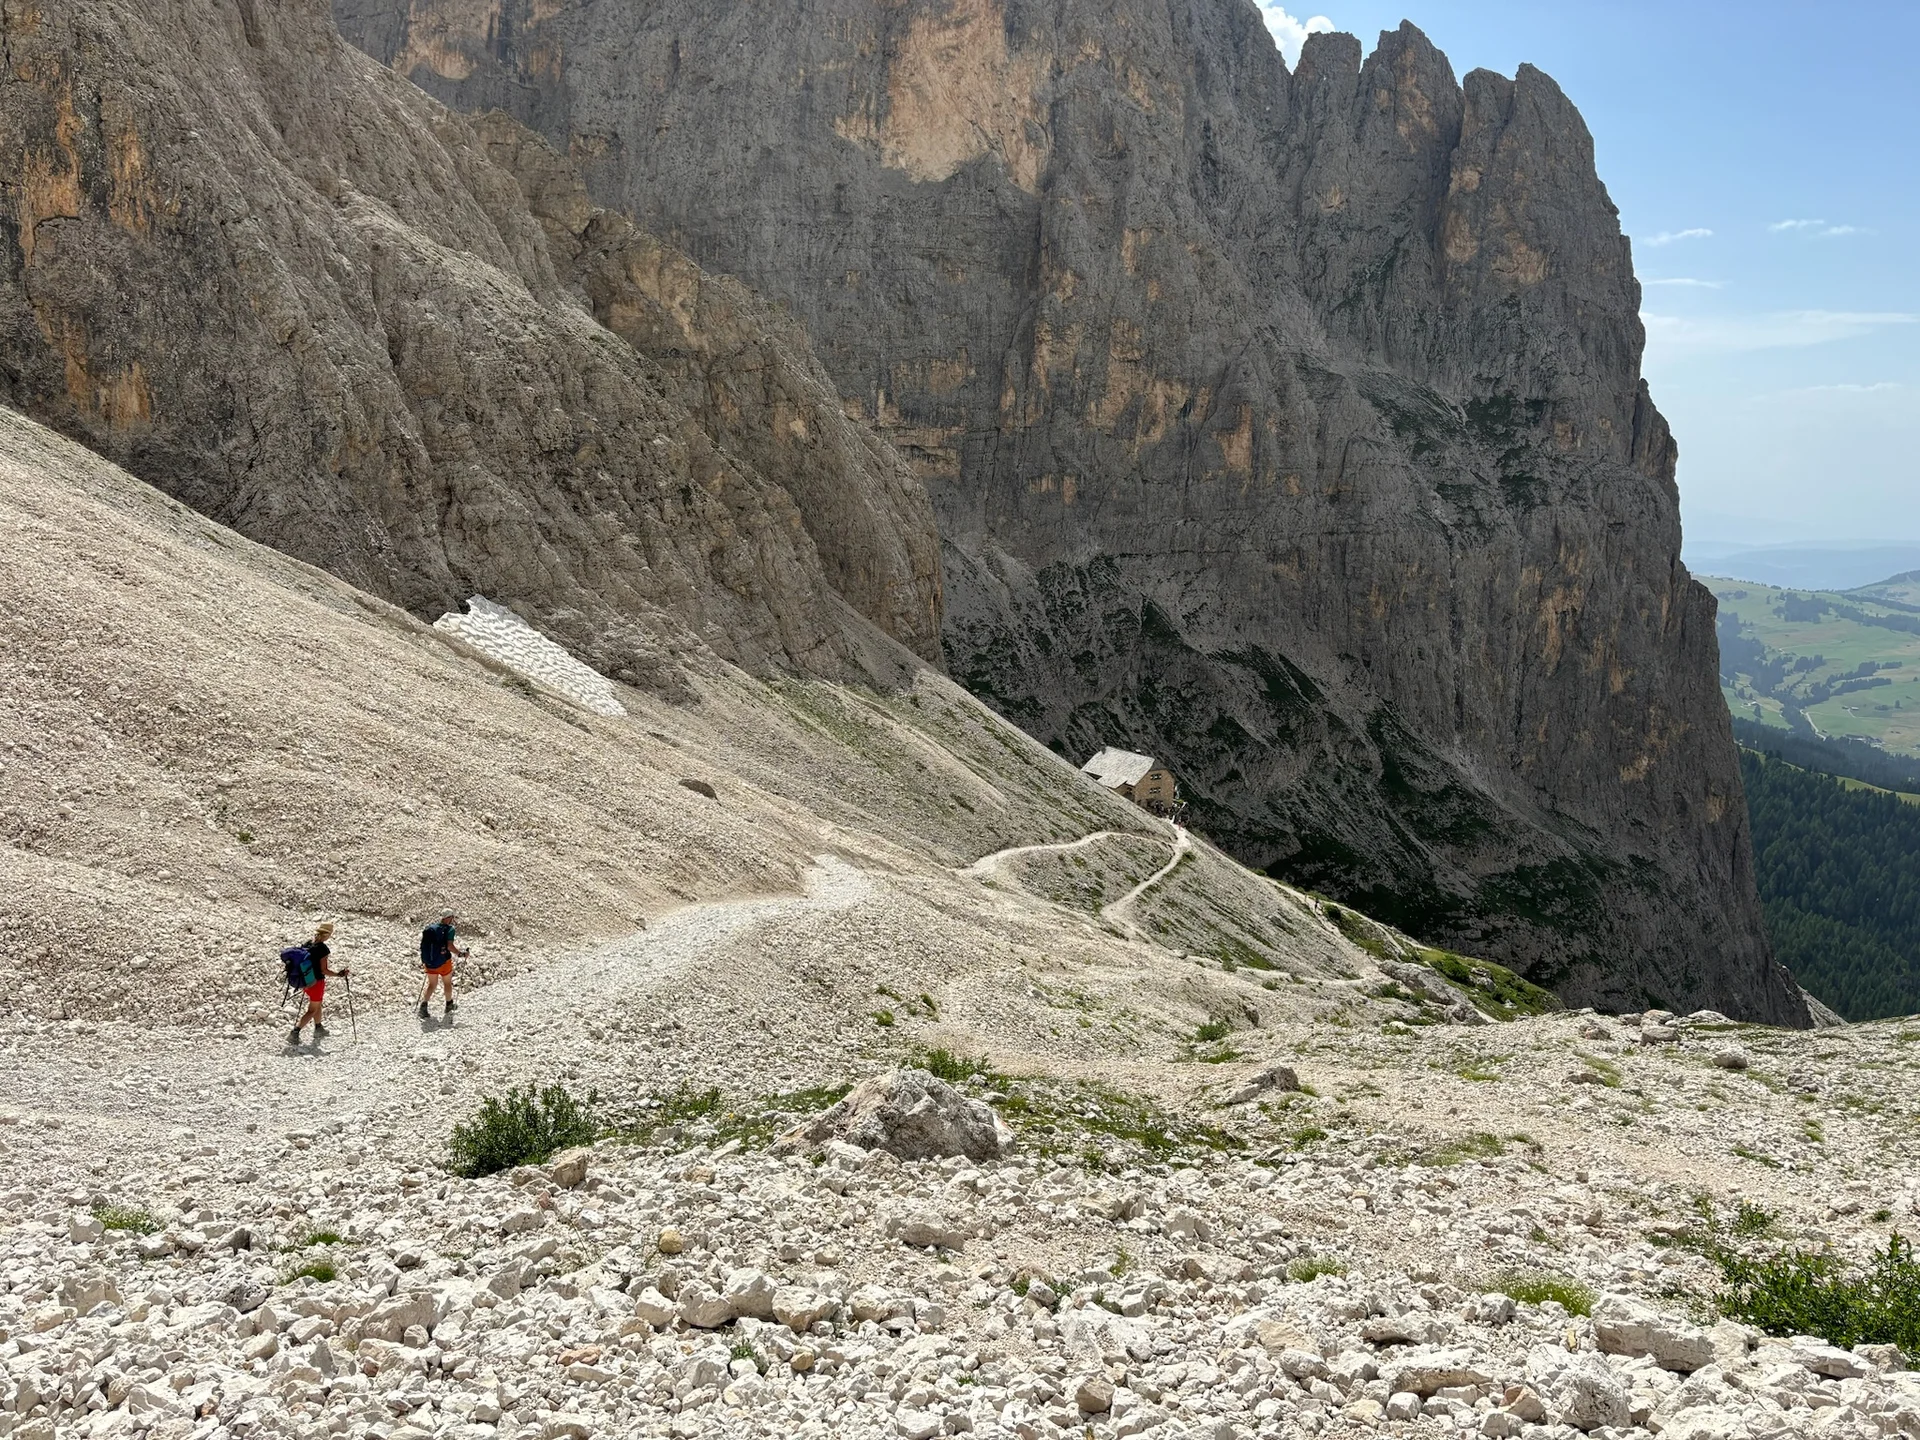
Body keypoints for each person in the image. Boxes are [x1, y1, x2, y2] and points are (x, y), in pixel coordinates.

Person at [289, 923, 349, 1045]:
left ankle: (318, 1028)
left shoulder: (308, 944)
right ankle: (295, 1032)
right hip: (317, 983)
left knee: (317, 1004)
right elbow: (324, 970)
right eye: (330, 934)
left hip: (307, 981)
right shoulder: (323, 949)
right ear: (326, 934)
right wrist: (339, 974)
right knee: (312, 1010)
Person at [419, 911, 468, 1018]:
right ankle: (449, 1004)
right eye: (452, 917)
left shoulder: (431, 928)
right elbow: (449, 946)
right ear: (448, 917)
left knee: (432, 984)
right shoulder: (450, 929)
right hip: (444, 963)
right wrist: (460, 954)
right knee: (447, 983)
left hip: (430, 962)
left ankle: (423, 1005)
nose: (453, 920)